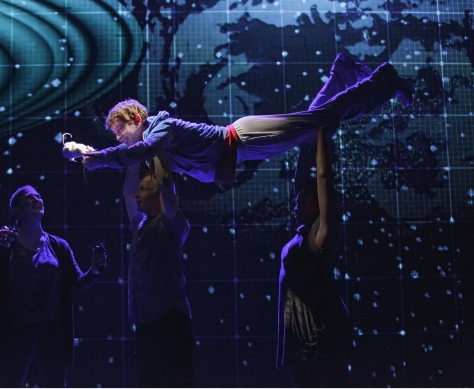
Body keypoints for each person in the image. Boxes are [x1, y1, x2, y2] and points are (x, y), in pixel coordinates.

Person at [65, 55, 411, 185]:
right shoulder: (154, 144)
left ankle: (382, 81)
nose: (119, 137)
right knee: (312, 124)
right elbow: (138, 159)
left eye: (120, 129)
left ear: (136, 118)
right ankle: (343, 71)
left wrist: (97, 159)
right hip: (244, 149)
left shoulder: (160, 129)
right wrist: (86, 151)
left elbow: (138, 153)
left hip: (244, 139)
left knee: (321, 123)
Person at [0, 185, 107, 388]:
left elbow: (77, 284)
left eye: (39, 196)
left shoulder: (58, 246)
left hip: (50, 328)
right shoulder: (5, 245)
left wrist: (94, 270)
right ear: (16, 210)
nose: (37, 199)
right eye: (29, 197)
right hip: (16, 329)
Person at [276, 125, 350, 387]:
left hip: (322, 335)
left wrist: (318, 137)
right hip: (299, 336)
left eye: (303, 199)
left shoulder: (322, 234)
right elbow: (300, 186)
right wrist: (303, 143)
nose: (295, 202)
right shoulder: (301, 235)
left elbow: (323, 180)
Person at [123, 156, 194, 387]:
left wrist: (154, 147)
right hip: (145, 321)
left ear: (158, 195)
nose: (136, 194)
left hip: (170, 320)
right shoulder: (140, 225)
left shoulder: (171, 224)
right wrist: (134, 154)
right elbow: (127, 192)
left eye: (143, 189)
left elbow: (165, 181)